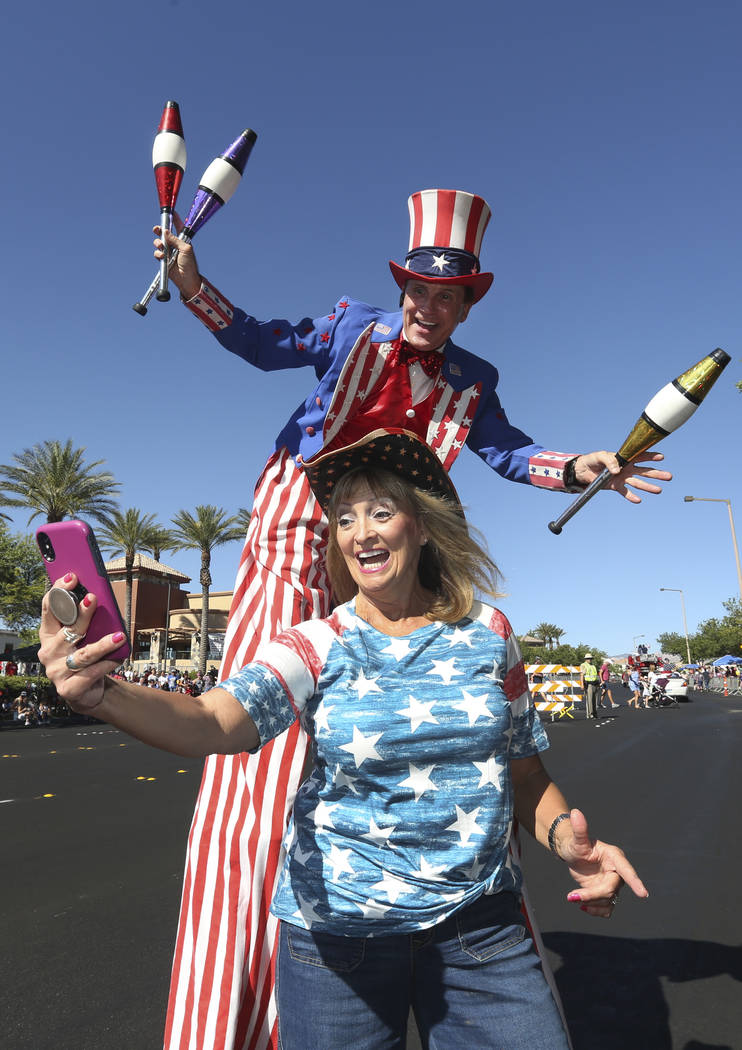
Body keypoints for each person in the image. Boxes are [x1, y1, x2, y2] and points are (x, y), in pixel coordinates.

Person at [153, 188, 670, 1049]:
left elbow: (509, 452)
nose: (428, 307)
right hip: (298, 525)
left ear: (469, 302)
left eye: (447, 295)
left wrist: (582, 467)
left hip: (404, 545)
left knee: (459, 718)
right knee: (258, 761)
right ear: (401, 289)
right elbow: (261, 341)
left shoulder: (473, 381)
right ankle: (235, 1008)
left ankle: (468, 926)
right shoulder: (350, 327)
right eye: (418, 291)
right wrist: (195, 281)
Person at [39, 431, 648, 1050]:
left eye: (382, 512)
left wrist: (572, 844)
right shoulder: (313, 643)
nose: (362, 532)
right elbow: (212, 722)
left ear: (425, 527)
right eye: (345, 518)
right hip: (336, 948)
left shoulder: (491, 633)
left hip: (481, 936)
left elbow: (525, 775)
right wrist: (101, 694)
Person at [579, 653, 600, 720]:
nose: (589, 660)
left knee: (594, 700)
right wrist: (582, 684)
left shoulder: (593, 666)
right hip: (589, 684)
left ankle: (594, 713)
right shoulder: (583, 665)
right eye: (588, 658)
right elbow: (582, 675)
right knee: (590, 699)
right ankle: (590, 714)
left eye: (590, 658)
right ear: (585, 659)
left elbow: (595, 676)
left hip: (595, 684)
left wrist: (598, 684)